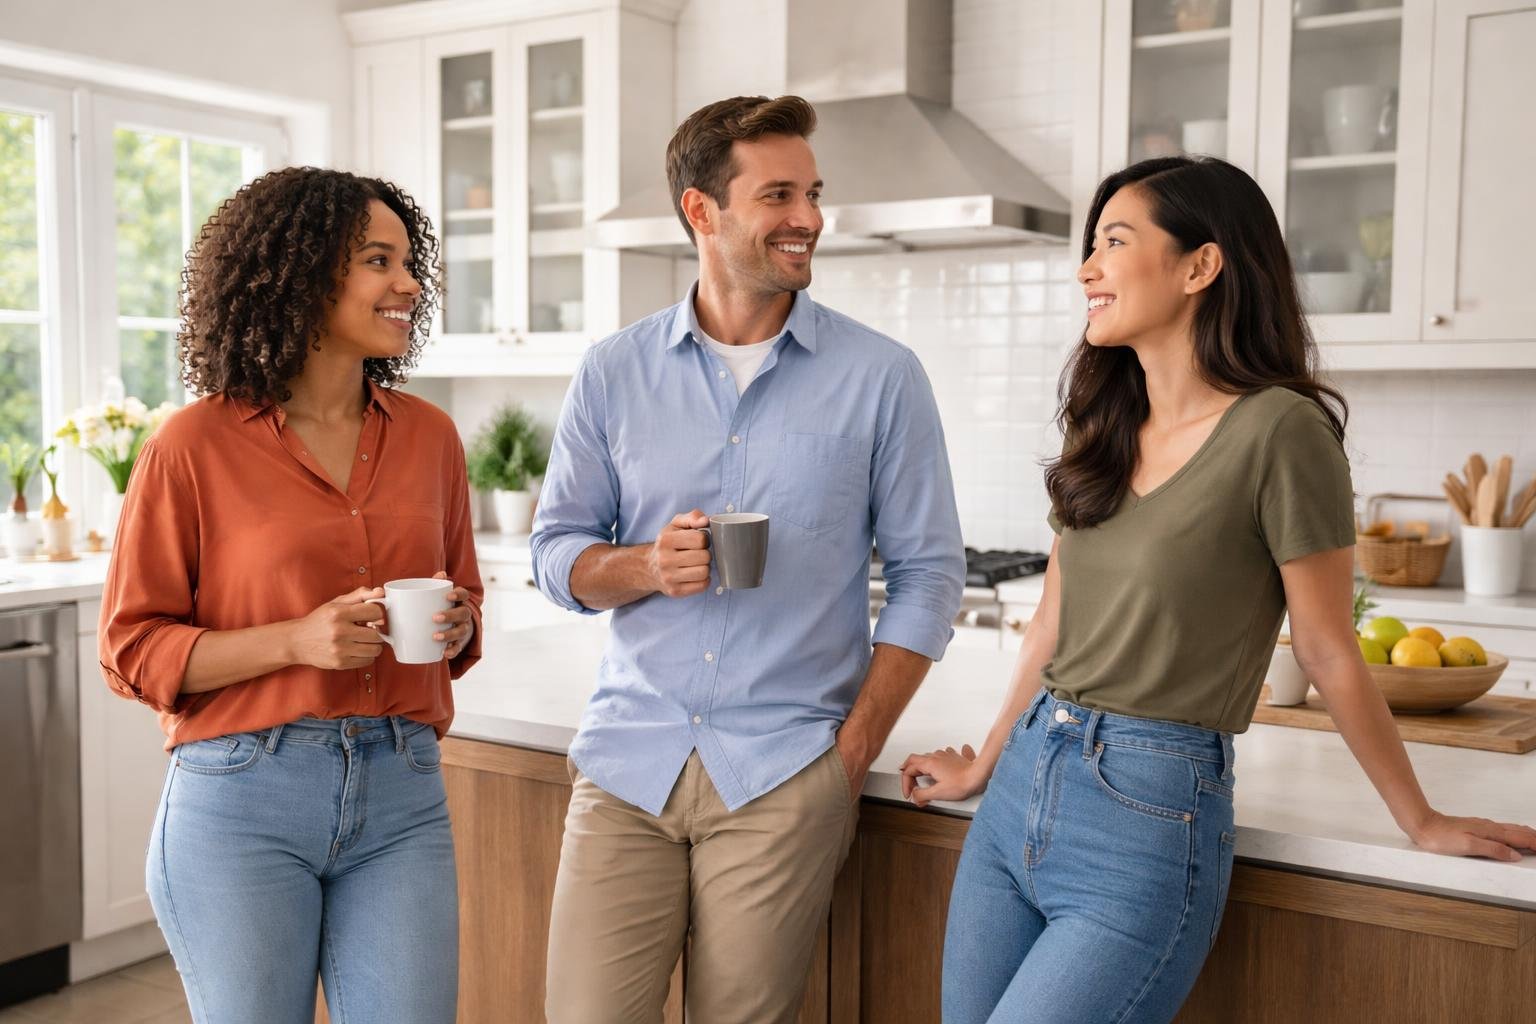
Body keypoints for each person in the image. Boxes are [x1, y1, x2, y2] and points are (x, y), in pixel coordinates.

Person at [900, 156, 1536, 1024]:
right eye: (1089, 246)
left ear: (1200, 266)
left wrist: (1419, 819)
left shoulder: (1282, 431)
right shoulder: (1106, 421)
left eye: (1114, 243)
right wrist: (987, 755)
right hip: (1023, 789)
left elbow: (1324, 647)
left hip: (1146, 813)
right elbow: (1051, 618)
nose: (1086, 268)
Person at [530, 94, 965, 1023]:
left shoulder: (881, 377)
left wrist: (849, 759)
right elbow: (554, 554)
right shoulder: (613, 371)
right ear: (702, 210)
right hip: (627, 766)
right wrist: (646, 567)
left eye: (813, 193)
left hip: (783, 775)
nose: (808, 218)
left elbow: (930, 576)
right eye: (778, 194)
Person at [99, 166, 483, 1024]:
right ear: (304, 273)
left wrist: (457, 623)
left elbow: (465, 598)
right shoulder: (191, 447)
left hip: (402, 792)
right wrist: (295, 642)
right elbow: (130, 651)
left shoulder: (431, 437)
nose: (409, 283)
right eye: (378, 261)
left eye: (409, 261)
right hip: (243, 798)